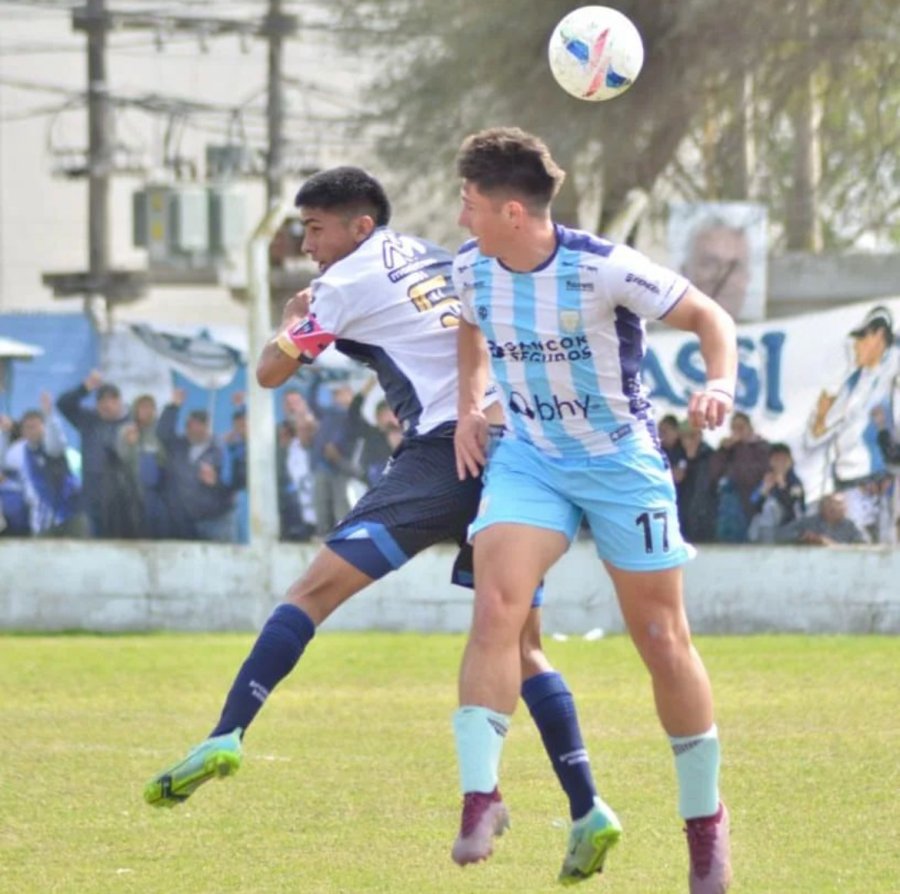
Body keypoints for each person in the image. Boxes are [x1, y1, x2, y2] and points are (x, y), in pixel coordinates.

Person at [143, 167, 604, 861]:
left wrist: (292, 319)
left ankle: (227, 733)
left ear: (360, 227)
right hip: (517, 453)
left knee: (311, 592)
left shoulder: (345, 282)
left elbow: (271, 372)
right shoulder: (425, 253)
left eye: (316, 228)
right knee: (522, 644)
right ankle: (588, 808)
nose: (307, 244)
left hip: (447, 453)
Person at [450, 128, 736, 892]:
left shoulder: (604, 267)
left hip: (619, 465)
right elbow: (470, 330)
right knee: (497, 608)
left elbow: (712, 318)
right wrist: (470, 405)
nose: (459, 217)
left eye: (469, 203)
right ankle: (481, 797)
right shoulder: (470, 270)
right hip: (530, 461)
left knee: (661, 637)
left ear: (514, 211)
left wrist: (720, 386)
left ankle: (705, 829)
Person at [805, 306, 898, 543]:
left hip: (880, 484)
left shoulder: (891, 376)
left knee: (882, 548)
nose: (855, 346)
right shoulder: (851, 383)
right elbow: (817, 436)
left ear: (877, 336)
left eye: (861, 338)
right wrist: (821, 417)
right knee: (856, 549)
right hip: (847, 487)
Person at [56, 371, 131, 537]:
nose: (106, 405)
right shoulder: (88, 420)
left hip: (122, 500)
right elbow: (63, 404)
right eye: (102, 401)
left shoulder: (131, 425)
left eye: (111, 400)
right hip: (92, 496)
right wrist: (84, 388)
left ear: (119, 402)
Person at [1, 395, 88, 537]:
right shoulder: (18, 451)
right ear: (22, 430)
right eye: (28, 427)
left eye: (35, 426)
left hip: (70, 514)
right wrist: (4, 433)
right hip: (40, 520)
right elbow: (3, 464)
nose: (32, 430)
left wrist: (50, 415)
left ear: (43, 427)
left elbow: (56, 443)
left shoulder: (51, 445)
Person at [156, 390, 235, 542]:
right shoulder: (177, 445)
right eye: (190, 424)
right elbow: (162, 433)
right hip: (182, 524)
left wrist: (215, 483)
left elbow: (234, 484)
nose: (193, 429)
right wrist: (173, 407)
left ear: (207, 427)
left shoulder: (222, 449)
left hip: (215, 523)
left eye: (199, 425)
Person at [708, 412, 770, 543]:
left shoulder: (763, 448)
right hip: (728, 503)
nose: (737, 431)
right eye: (734, 428)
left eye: (741, 427)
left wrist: (744, 448)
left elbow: (757, 472)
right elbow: (713, 473)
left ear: (750, 428)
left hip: (752, 500)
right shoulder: (727, 450)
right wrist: (723, 450)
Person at [116, 394, 169, 538]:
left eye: (150, 407)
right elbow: (121, 459)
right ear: (135, 410)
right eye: (142, 407)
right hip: (132, 491)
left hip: (158, 493)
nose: (146, 411)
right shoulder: (126, 430)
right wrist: (131, 445)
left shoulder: (161, 432)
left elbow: (167, 460)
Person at [681, 216, 751, 321]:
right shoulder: (662, 335)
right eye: (709, 264)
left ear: (747, 276)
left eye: (734, 266)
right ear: (685, 273)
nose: (723, 276)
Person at [747, 443, 806, 544]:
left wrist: (782, 486)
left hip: (789, 526)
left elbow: (795, 506)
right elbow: (753, 504)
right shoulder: (765, 478)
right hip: (765, 528)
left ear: (790, 462)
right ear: (771, 462)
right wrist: (764, 490)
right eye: (777, 459)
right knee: (767, 509)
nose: (780, 463)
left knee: (771, 506)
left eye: (784, 460)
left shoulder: (795, 482)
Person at [676, 421, 717, 544]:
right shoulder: (679, 456)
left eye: (691, 436)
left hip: (703, 516)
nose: (687, 441)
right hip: (683, 514)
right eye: (684, 437)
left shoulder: (709, 456)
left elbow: (704, 487)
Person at [773, 492, 866, 545]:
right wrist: (801, 536)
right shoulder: (808, 522)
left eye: (840, 504)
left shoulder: (851, 526)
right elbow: (780, 535)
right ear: (822, 508)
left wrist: (830, 544)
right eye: (830, 504)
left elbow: (864, 546)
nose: (835, 508)